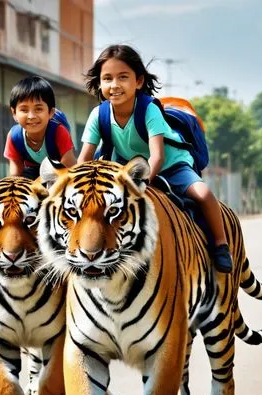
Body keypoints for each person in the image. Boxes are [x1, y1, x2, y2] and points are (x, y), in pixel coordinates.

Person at [77, 44, 232, 273]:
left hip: (171, 165)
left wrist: (144, 182)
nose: (115, 85)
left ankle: (220, 244)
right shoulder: (98, 115)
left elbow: (157, 156)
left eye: (123, 77)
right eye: (107, 78)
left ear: (138, 81)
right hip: (128, 169)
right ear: (99, 83)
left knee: (204, 194)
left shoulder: (149, 109)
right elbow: (84, 160)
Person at [4, 76, 76, 179]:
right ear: (14, 113)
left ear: (50, 112)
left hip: (59, 168)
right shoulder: (14, 137)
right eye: (24, 110)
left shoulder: (59, 132)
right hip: (32, 170)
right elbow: (15, 174)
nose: (31, 116)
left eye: (38, 109)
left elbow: (69, 166)